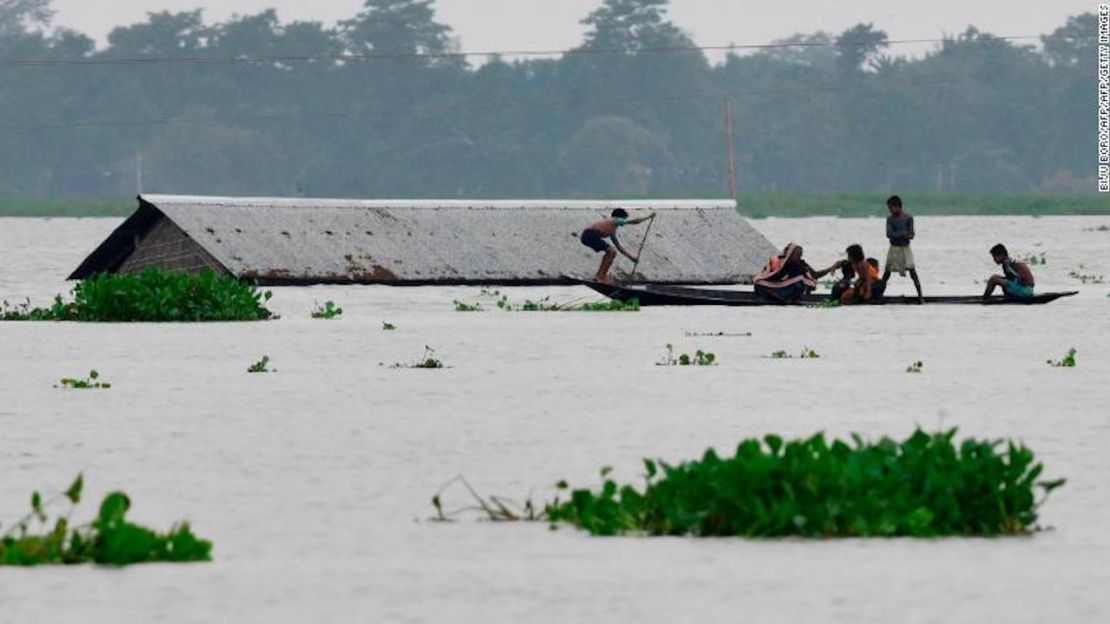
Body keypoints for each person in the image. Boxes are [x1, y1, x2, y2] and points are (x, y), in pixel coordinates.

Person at [579, 208, 654, 283]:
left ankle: (600, 275)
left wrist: (631, 258)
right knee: (611, 251)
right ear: (620, 217)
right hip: (589, 235)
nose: (622, 224)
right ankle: (601, 276)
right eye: (623, 219)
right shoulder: (614, 220)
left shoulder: (611, 229)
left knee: (612, 252)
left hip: (587, 237)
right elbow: (635, 221)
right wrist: (648, 217)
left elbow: (618, 247)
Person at [754, 243, 839, 303]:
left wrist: (830, 268)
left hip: (789, 289)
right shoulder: (778, 261)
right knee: (759, 283)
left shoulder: (801, 264)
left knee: (799, 282)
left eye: (800, 254)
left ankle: (786, 298)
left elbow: (814, 275)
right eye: (797, 254)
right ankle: (777, 297)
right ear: (790, 254)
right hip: (773, 286)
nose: (799, 256)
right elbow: (766, 275)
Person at [881, 195, 924, 304]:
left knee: (912, 272)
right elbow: (889, 234)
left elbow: (911, 235)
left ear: (897, 207)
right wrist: (903, 234)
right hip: (894, 249)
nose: (889, 210)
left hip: (905, 249)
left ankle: (920, 296)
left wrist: (901, 234)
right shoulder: (890, 219)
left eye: (890, 208)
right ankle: (878, 295)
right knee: (887, 273)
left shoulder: (908, 218)